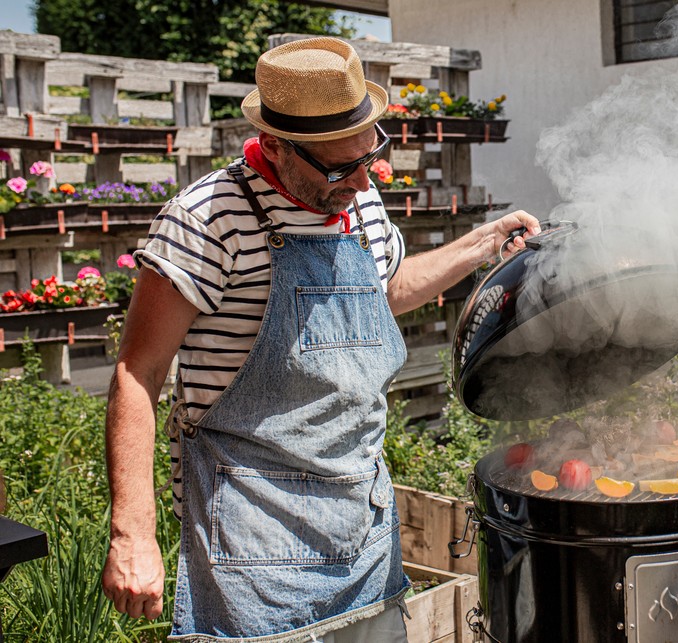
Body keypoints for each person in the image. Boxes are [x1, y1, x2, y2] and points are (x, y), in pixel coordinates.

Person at [100, 36, 540, 641]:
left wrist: (483, 243)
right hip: (253, 548)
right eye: (341, 166)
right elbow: (138, 372)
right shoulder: (206, 220)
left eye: (371, 155)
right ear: (277, 147)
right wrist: (133, 533)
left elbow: (385, 290)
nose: (363, 181)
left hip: (363, 537)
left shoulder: (358, 201)